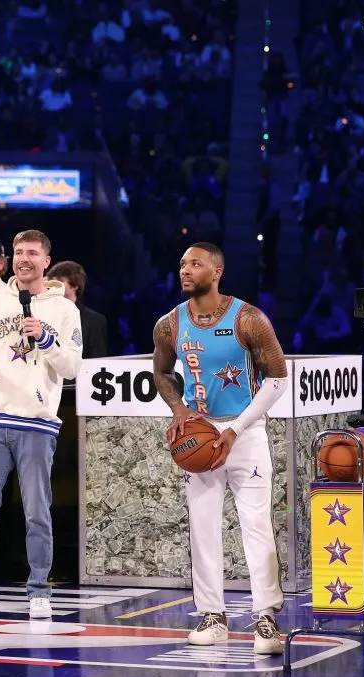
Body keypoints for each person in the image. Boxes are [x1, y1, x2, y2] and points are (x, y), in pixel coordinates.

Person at [151, 242, 289, 655]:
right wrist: (178, 409)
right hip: (201, 431)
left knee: (257, 527)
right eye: (181, 264)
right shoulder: (169, 324)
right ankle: (213, 616)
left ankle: (266, 619)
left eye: (195, 264)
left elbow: (278, 380)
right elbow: (160, 371)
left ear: (218, 270)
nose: (185, 270)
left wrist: (236, 429)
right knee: (202, 528)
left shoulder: (248, 318)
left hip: (245, 433)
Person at [0, 229, 83, 618]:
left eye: (32, 252)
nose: (24, 259)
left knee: (37, 512)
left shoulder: (65, 309)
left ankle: (38, 591)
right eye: (18, 252)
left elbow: (72, 367)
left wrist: (46, 339)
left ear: (47, 260)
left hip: (36, 423)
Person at [46, 260, 108, 359]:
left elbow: (98, 359)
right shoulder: (44, 314)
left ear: (75, 286)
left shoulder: (94, 321)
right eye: (52, 281)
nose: (54, 286)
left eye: (60, 281)